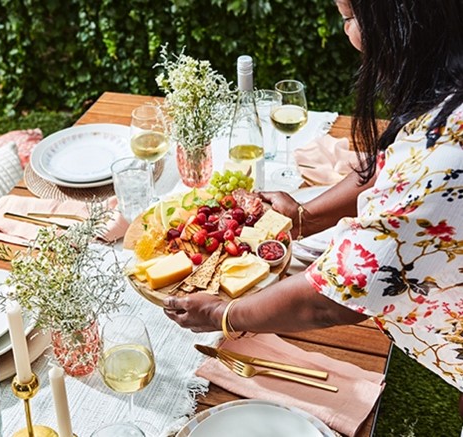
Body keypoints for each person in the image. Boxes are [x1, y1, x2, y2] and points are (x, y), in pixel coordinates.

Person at [163, 0, 463, 412]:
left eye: (350, 17)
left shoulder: (442, 162)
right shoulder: (448, 89)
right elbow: (387, 166)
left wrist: (222, 314)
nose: (349, 34)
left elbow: (327, 300)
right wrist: (304, 217)